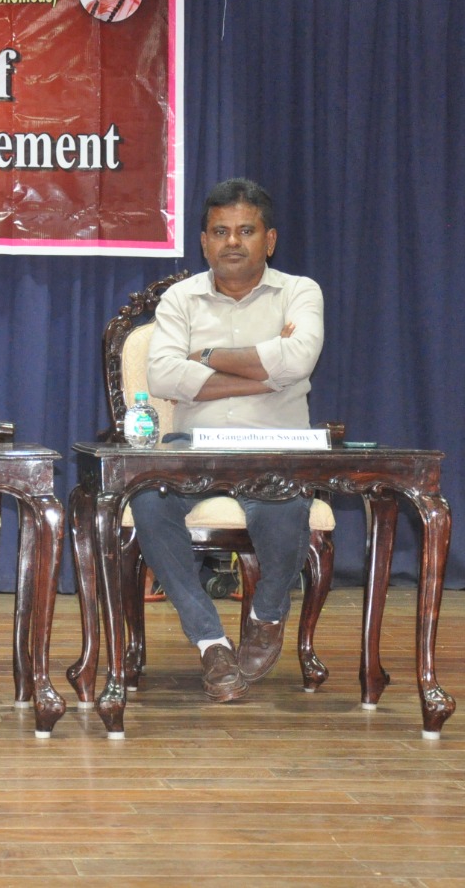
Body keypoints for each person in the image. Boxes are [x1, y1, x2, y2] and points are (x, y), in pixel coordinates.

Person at [129, 178, 324, 701]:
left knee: (286, 508)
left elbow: (298, 360)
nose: (232, 242)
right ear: (204, 241)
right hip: (193, 445)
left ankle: (267, 615)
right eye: (220, 232)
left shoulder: (300, 292)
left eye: (246, 231)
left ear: (270, 240)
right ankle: (211, 642)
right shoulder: (180, 298)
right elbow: (164, 376)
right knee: (147, 500)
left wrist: (206, 357)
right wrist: (266, 373)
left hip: (277, 446)